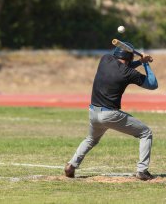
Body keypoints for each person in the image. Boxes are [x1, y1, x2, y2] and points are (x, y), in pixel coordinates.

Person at [64, 42, 158, 181]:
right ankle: (142, 171)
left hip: (93, 112)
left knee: (90, 139)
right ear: (129, 58)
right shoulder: (128, 73)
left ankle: (71, 165)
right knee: (145, 133)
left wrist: (139, 61)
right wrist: (145, 63)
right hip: (110, 115)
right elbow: (153, 84)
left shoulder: (105, 59)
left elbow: (122, 66)